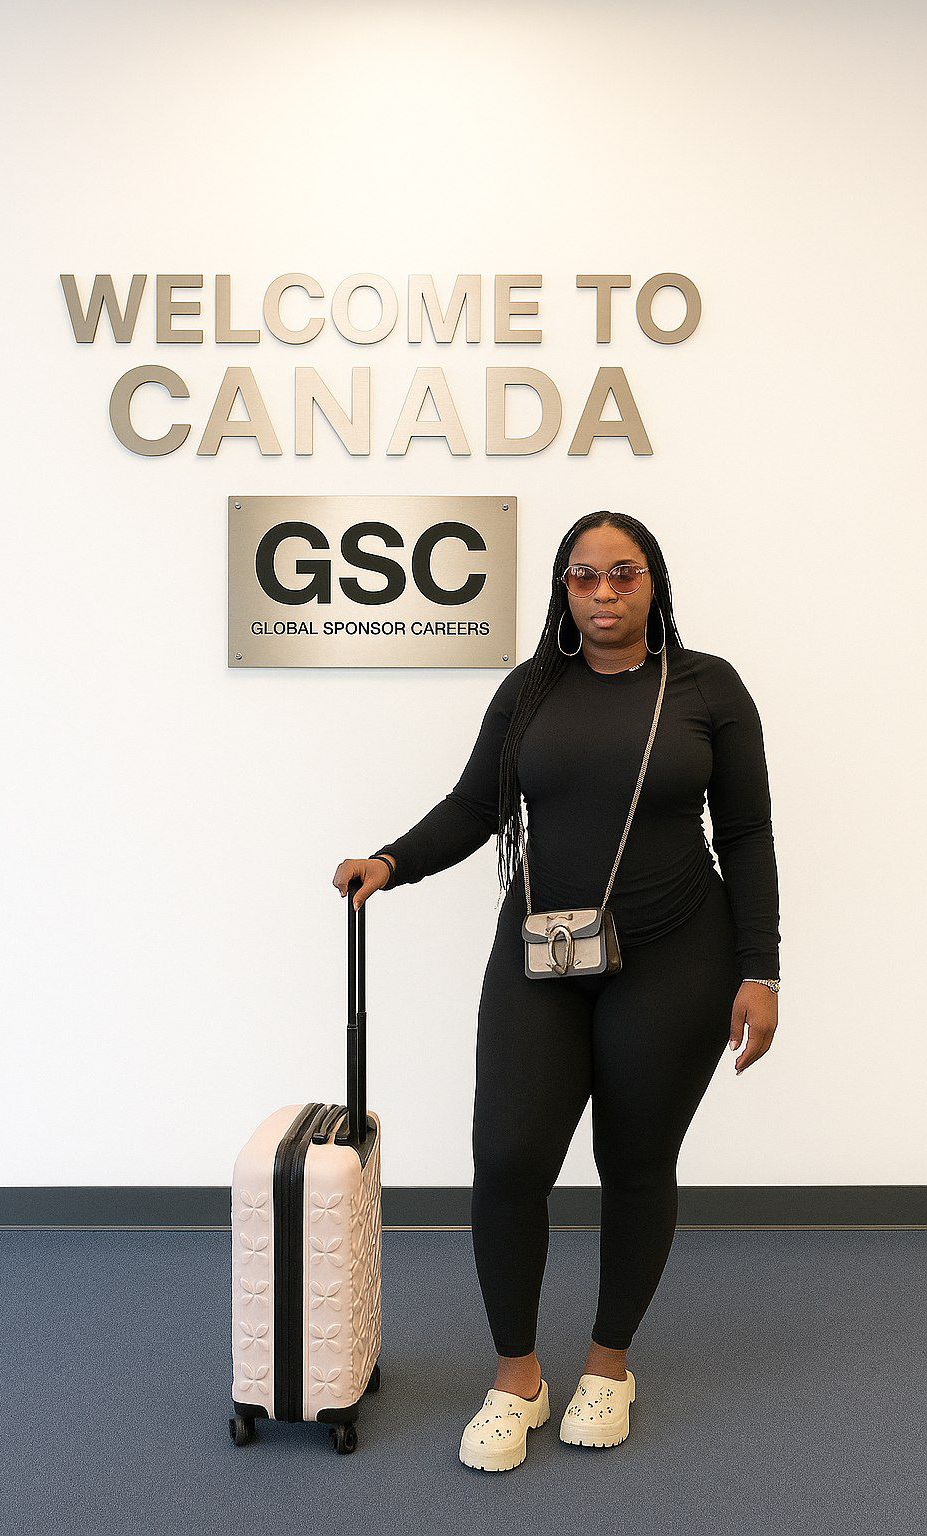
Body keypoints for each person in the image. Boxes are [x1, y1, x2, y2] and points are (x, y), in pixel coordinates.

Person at [332, 510, 781, 1472]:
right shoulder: (531, 689)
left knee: (636, 1161)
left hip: (677, 955)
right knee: (507, 1158)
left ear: (654, 582)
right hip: (542, 952)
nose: (604, 592)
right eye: (584, 575)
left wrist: (761, 969)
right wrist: (391, 861)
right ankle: (517, 1379)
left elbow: (746, 834)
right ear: (562, 588)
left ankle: (609, 1367)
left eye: (624, 573)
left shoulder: (708, 688)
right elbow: (475, 805)